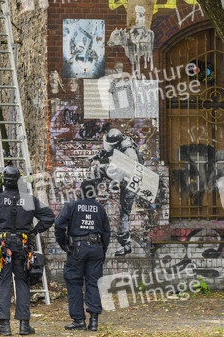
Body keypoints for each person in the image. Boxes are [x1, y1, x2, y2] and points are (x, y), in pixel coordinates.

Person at [0, 166, 55, 336]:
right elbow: (48, 216)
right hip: (23, 246)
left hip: (3, 247)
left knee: (2, 283)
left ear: (3, 181)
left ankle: (4, 326)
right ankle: (24, 325)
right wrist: (34, 231)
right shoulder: (29, 200)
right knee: (22, 283)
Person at [54, 180, 110, 332]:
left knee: (74, 281)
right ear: (95, 192)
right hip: (96, 248)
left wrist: (64, 244)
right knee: (94, 283)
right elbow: (106, 232)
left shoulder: (72, 206)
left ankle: (78, 320)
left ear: (81, 191)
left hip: (77, 248)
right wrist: (102, 250)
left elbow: (58, 225)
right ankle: (94, 321)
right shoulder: (100, 208)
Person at [92, 128, 143, 256]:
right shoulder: (121, 143)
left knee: (125, 211)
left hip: (131, 181)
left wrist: (116, 180)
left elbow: (132, 168)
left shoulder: (128, 150)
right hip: (125, 177)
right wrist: (100, 156)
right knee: (98, 168)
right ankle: (92, 194)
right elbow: (113, 153)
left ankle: (126, 244)